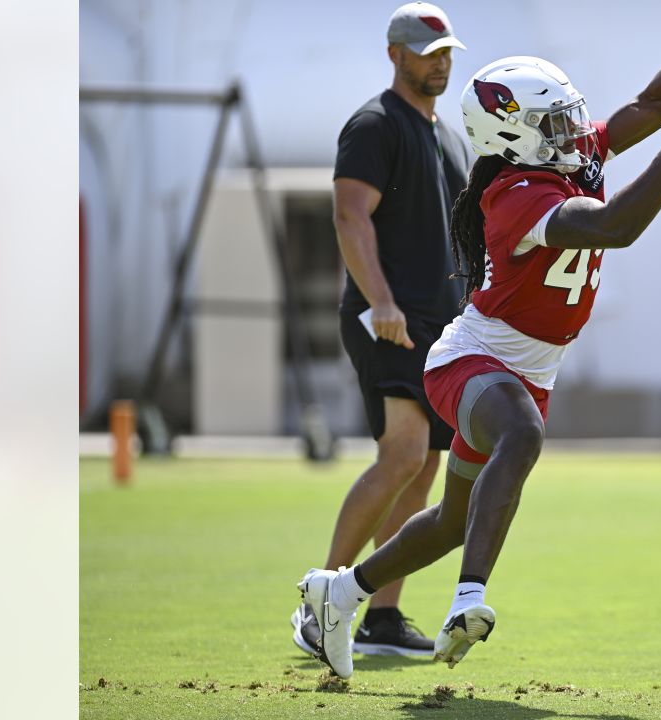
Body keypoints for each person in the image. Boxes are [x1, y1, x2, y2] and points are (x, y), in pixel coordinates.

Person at [297, 8, 661, 679]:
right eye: (554, 121)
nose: (572, 131)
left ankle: (340, 592)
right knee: (523, 434)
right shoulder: (515, 192)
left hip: (531, 365)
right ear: (513, 131)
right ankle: (468, 601)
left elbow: (649, 103)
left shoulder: (560, 157)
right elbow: (618, 225)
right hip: (475, 359)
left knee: (453, 519)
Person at [290, 2, 473, 660]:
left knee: (423, 470)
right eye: (428, 51)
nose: (441, 62)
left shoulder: (448, 136)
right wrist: (383, 302)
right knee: (402, 453)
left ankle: (382, 616)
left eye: (447, 51)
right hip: (385, 318)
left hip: (439, 326)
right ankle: (323, 596)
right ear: (396, 54)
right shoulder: (374, 124)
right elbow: (349, 217)